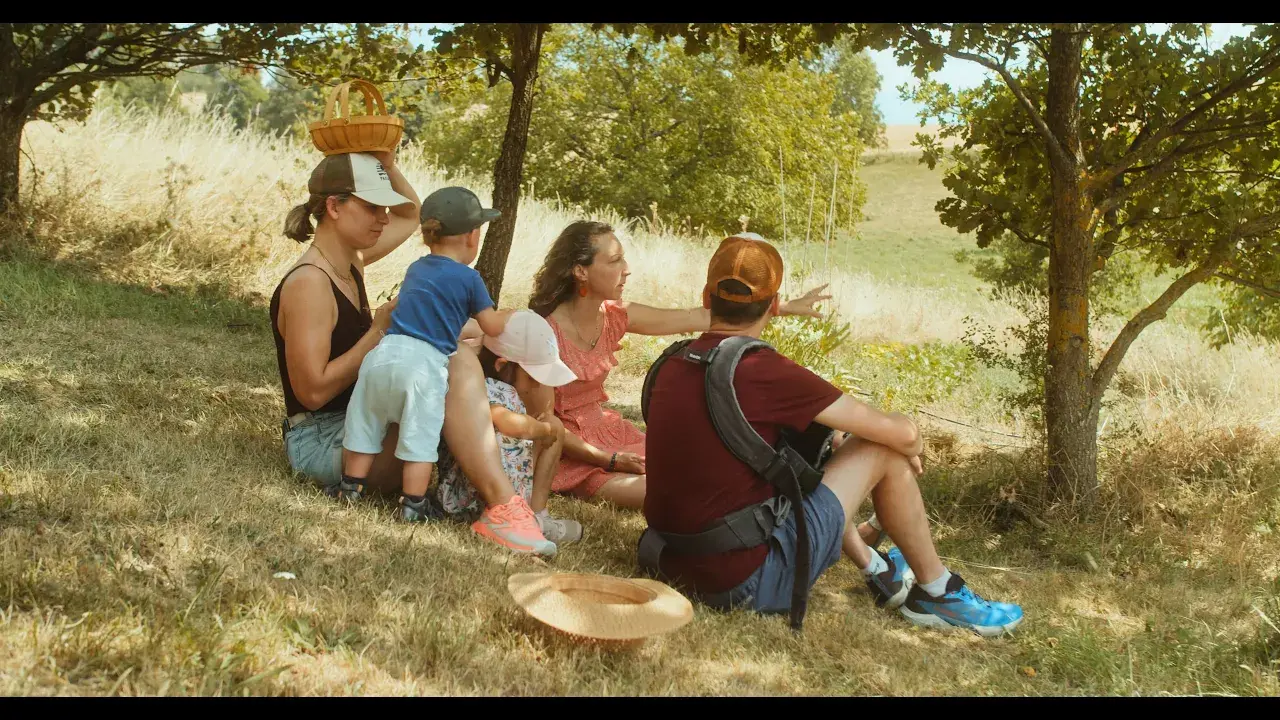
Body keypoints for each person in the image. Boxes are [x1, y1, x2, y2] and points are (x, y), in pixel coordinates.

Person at [642, 233, 1024, 636]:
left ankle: (888, 570)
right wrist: (909, 442)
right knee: (881, 446)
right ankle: (937, 591)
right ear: (774, 305)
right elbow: (901, 435)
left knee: (840, 442)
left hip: (667, 559)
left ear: (706, 297)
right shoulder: (763, 371)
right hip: (741, 583)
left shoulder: (673, 362)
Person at [271, 154, 554, 555]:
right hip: (322, 442)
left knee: (448, 353)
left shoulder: (350, 261)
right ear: (334, 207)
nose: (385, 218)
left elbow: (412, 215)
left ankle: (505, 505)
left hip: (362, 423)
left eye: (383, 208)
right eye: (372, 207)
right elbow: (312, 393)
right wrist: (378, 332)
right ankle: (504, 507)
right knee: (452, 361)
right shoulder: (309, 284)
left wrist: (385, 161)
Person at [527, 221, 831, 509]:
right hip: (569, 452)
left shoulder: (614, 314)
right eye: (615, 261)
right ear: (581, 270)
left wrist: (780, 307)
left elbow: (695, 317)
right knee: (673, 494)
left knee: (703, 473)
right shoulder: (543, 331)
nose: (627, 270)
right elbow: (544, 424)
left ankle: (801, 496)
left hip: (611, 434)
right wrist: (608, 460)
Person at [435, 310, 584, 545]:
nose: (538, 387)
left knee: (554, 424)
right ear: (501, 365)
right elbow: (505, 421)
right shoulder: (484, 387)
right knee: (548, 427)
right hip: (473, 492)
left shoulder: (513, 395)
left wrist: (547, 426)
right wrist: (542, 430)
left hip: (510, 476)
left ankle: (536, 514)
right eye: (533, 378)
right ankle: (513, 515)